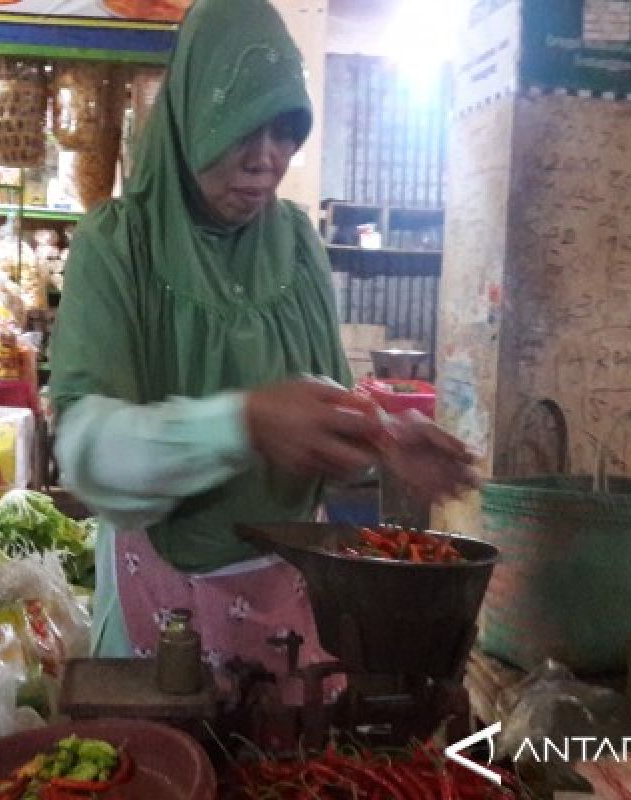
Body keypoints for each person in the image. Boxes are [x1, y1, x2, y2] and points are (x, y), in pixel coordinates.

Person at [49, 0, 477, 684]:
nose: (265, 159)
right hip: (160, 610)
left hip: (286, 600)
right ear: (192, 115)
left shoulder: (297, 244)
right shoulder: (119, 244)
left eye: (286, 131)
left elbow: (322, 400)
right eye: (242, 128)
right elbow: (88, 452)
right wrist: (243, 422)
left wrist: (382, 436)